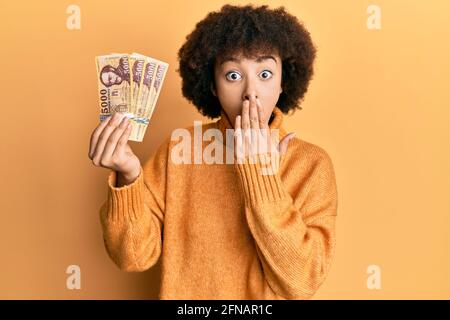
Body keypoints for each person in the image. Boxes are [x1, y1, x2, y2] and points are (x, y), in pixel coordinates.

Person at [88, 3, 338, 300]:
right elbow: (133, 256)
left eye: (266, 73)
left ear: (284, 82)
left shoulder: (311, 165)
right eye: (233, 75)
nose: (251, 92)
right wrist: (128, 177)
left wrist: (261, 174)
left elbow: (301, 282)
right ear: (213, 86)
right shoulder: (179, 151)